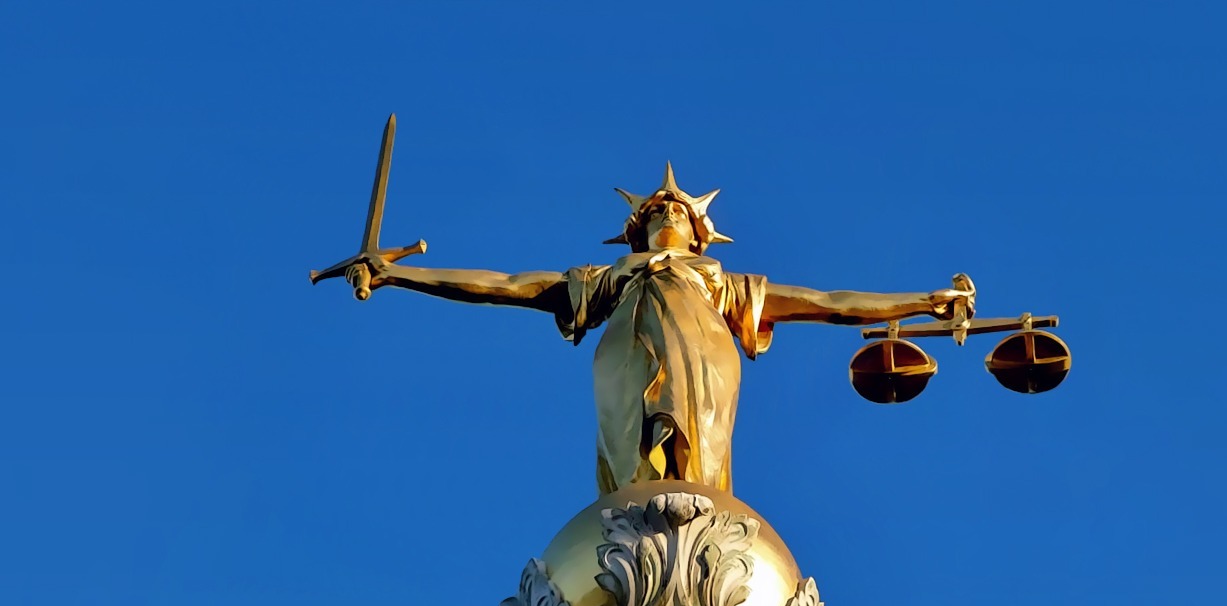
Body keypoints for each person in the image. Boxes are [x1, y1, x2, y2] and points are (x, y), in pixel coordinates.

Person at [347, 164, 973, 495]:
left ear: (700, 230)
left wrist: (921, 302)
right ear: (635, 227)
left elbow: (826, 301)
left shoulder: (718, 281)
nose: (666, 210)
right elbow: (509, 287)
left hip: (705, 359)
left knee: (696, 470)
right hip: (623, 357)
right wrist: (405, 276)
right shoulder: (611, 277)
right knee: (629, 467)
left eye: (676, 208)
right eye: (654, 209)